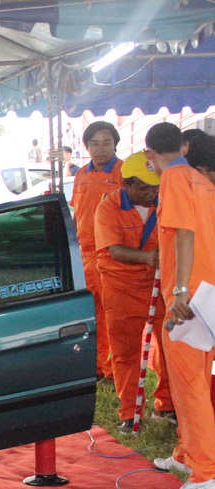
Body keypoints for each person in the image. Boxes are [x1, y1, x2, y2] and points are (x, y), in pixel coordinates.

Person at [144, 122, 215, 489]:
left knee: (189, 387)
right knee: (196, 381)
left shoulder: (174, 178)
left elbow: (185, 233)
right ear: (183, 146)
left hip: (190, 299)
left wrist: (181, 290)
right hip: (208, 294)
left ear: (149, 155)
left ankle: (206, 471)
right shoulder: (202, 181)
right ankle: (188, 455)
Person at [94, 152, 173, 433]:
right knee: (125, 351)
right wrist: (148, 258)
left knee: (170, 347)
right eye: (144, 188)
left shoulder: (165, 201)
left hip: (159, 285)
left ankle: (167, 406)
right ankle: (130, 412)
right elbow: (114, 249)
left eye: (155, 187)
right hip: (121, 288)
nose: (151, 193)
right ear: (126, 184)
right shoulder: (108, 207)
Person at [71, 121, 122, 381]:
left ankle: (115, 370)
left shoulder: (124, 173)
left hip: (113, 255)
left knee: (114, 315)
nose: (100, 149)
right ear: (86, 146)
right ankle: (99, 367)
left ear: (115, 144)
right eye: (94, 144)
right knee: (93, 314)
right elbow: (76, 212)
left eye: (106, 143)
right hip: (85, 255)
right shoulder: (81, 174)